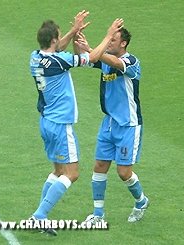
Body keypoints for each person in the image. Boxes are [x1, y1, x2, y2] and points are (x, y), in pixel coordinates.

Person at [29, 10, 124, 236]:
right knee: (72, 174)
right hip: (61, 125)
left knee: (58, 170)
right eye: (59, 36)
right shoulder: (59, 61)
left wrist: (73, 32)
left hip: (46, 122)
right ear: (53, 40)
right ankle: (39, 217)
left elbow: (57, 48)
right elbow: (90, 58)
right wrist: (108, 34)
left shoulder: (35, 57)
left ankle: (40, 217)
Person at [76, 27, 149, 223]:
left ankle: (141, 201)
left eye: (113, 40)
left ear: (123, 43)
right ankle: (98, 214)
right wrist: (78, 42)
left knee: (124, 172)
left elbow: (115, 62)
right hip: (108, 123)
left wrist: (92, 48)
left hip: (128, 125)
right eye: (108, 39)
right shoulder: (105, 60)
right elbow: (85, 60)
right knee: (99, 166)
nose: (109, 43)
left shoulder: (131, 61)